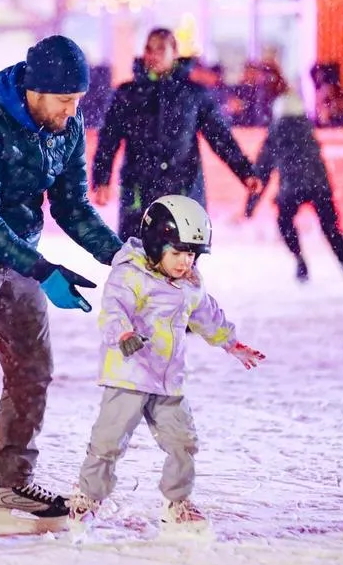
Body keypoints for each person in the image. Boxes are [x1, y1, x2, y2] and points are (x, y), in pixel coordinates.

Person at [0, 35, 123, 542]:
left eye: (78, 100)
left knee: (34, 367)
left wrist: (121, 255)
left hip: (21, 251)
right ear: (35, 91)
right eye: (64, 100)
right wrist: (42, 269)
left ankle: (12, 480)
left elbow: (72, 204)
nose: (73, 110)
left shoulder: (66, 126)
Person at [68, 196, 265, 532]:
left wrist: (230, 343)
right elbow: (114, 309)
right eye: (177, 252)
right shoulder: (130, 274)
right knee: (108, 442)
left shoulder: (189, 283)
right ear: (155, 244)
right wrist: (123, 333)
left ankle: (178, 502)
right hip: (128, 375)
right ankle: (87, 497)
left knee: (183, 441)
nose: (185, 261)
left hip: (168, 379)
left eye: (191, 254)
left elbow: (207, 313)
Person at [91, 27, 261, 241]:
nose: (153, 55)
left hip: (183, 189)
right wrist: (101, 178)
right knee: (136, 261)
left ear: (175, 53)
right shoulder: (128, 94)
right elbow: (108, 139)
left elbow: (220, 137)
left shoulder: (194, 94)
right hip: (139, 191)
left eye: (161, 49)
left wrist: (245, 171)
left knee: (182, 258)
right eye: (149, 49)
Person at [245, 73, 343, 283]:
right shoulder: (307, 128)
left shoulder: (277, 130)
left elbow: (263, 169)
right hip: (319, 184)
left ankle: (300, 261)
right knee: (331, 227)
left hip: (292, 186)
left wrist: (250, 205)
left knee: (285, 221)